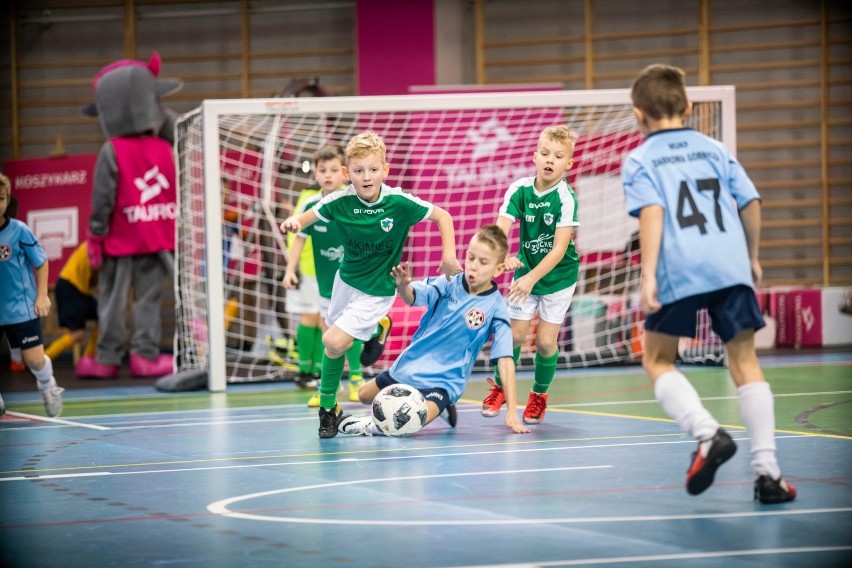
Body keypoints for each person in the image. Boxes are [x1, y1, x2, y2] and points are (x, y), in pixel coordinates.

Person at [621, 63, 796, 504]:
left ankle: (706, 433)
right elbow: (751, 201)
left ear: (638, 114)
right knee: (744, 361)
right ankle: (769, 474)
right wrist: (751, 258)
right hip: (729, 264)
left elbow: (654, 213)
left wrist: (648, 276)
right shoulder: (716, 149)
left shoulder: (640, 159)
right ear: (689, 106)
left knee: (659, 359)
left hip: (679, 266)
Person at [281, 130, 462, 438]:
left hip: (378, 287)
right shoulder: (340, 201)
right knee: (336, 348)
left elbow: (443, 216)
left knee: (333, 342)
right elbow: (307, 218)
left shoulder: (398, 202)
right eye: (359, 170)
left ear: (385, 170)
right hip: (345, 283)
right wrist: (295, 222)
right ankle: (332, 407)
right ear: (346, 173)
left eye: (373, 169)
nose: (366, 176)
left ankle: (327, 406)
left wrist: (449, 255)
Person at [338, 225, 531, 437]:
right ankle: (434, 408)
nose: (473, 267)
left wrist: (512, 412)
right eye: (471, 258)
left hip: (445, 381)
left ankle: (367, 425)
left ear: (498, 270)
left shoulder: (496, 308)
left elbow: (505, 361)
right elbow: (412, 297)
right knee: (364, 396)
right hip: (412, 365)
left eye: (483, 262)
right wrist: (403, 286)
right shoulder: (448, 283)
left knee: (413, 420)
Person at [480, 125, 580, 425]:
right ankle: (499, 387)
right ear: (535, 156)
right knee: (514, 335)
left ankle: (539, 395)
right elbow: (500, 231)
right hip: (526, 273)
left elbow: (559, 249)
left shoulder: (565, 197)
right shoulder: (519, 190)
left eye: (559, 156)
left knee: (547, 342)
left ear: (569, 164)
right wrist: (499, 260)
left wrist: (530, 278)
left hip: (558, 277)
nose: (550, 160)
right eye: (545, 153)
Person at [283, 144, 392, 406]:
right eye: (323, 170)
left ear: (343, 174)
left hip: (353, 279)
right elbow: (298, 237)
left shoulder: (353, 202)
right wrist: (289, 269)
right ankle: (326, 385)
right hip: (324, 281)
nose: (329, 175)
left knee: (348, 327)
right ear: (316, 175)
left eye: (334, 170)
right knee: (328, 332)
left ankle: (355, 378)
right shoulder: (311, 205)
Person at [0, 173, 64, 417]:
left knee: (35, 361)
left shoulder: (19, 231)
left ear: (7, 200)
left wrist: (42, 296)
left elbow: (41, 262)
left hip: (21, 309)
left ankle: (48, 386)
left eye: (1, 198)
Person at [43, 242, 100, 369]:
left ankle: (89, 359)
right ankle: (41, 360)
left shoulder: (95, 247)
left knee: (103, 317)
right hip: (70, 287)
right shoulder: (94, 246)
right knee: (78, 334)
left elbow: (93, 279)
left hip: (80, 290)